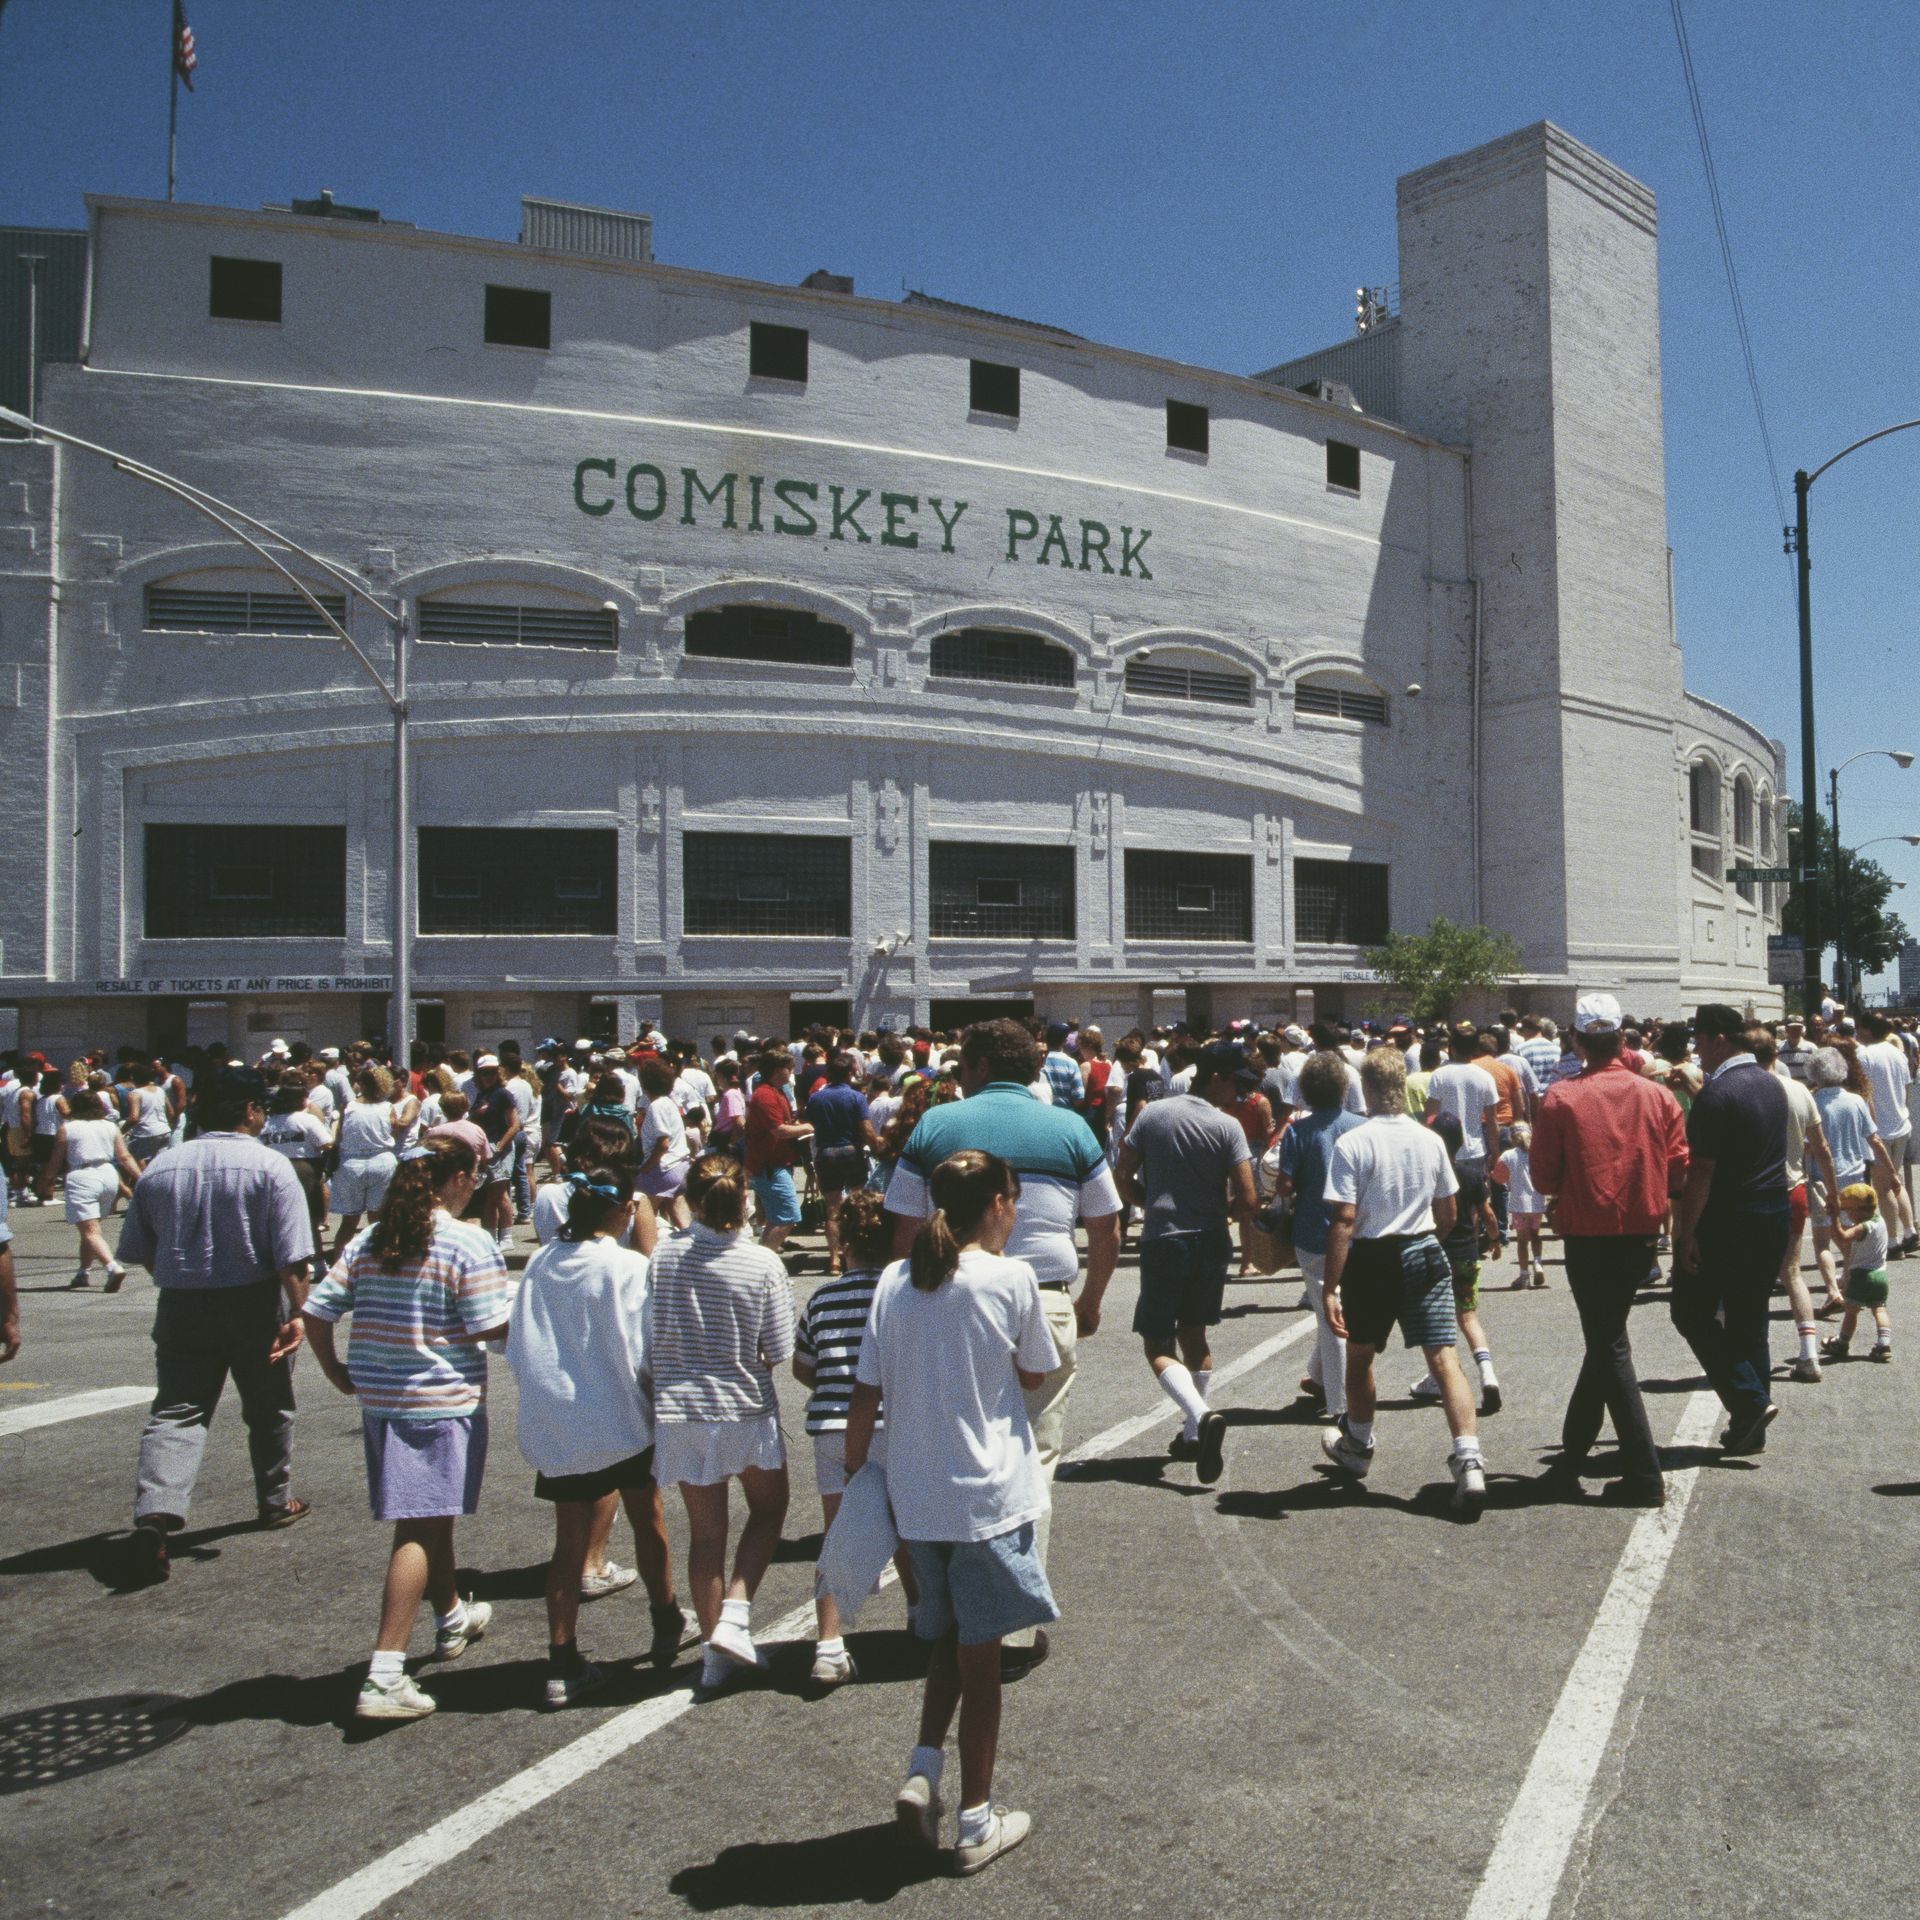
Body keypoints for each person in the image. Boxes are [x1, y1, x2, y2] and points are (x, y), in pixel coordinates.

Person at [886, 1018, 1120, 1677]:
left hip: (943, 1294)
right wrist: (1093, 1299)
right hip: (1041, 1296)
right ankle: (1012, 1623)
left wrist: (910, 1300)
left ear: (982, 1063)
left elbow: (903, 1230)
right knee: (1035, 1454)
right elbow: (1107, 1226)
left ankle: (935, 1608)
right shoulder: (1071, 1128)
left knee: (938, 1440)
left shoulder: (937, 1126)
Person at [847, 1149, 1059, 1875]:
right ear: (997, 1204)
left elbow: (866, 1389)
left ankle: (923, 1765)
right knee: (984, 1664)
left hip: (917, 1497)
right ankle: (975, 1818)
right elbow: (1036, 1371)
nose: (1017, 1210)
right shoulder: (1011, 1278)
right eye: (1013, 1198)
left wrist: (853, 1479)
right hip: (989, 1495)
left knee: (944, 1638)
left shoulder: (892, 1280)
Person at [302, 1138, 511, 1722]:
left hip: (382, 1397)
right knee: (418, 1527)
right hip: (439, 1399)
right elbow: (488, 1326)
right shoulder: (469, 1240)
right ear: (461, 1179)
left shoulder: (373, 1236)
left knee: (431, 1512)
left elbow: (317, 1311)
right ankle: (386, 1670)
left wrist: (338, 1372)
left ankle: (449, 1616)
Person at [115, 1066, 317, 1586]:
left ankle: (154, 1519)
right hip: (254, 1302)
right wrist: (300, 1313)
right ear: (251, 1111)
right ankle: (274, 1500)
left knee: (177, 1412)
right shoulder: (272, 1167)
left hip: (182, 1304)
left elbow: (140, 1249)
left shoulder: (161, 1167)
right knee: (269, 1405)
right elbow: (292, 1257)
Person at [507, 1160, 688, 1708]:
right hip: (620, 1411)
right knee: (647, 1516)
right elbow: (649, 1344)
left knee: (569, 1540)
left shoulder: (540, 1262)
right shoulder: (629, 1267)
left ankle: (561, 1658)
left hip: (561, 1416)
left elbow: (518, 1337)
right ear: (621, 1211)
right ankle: (664, 1617)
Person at [1529, 993, 1687, 1504]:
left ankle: (1644, 1472)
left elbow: (1542, 1174)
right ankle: (1575, 1447)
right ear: (1622, 1038)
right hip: (1640, 1230)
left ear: (1576, 1041)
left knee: (1608, 1342)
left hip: (1586, 1230)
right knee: (1607, 1336)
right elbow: (1678, 1165)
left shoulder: (1561, 1097)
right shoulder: (1656, 1095)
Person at [646, 1152, 794, 1692]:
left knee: (706, 1536)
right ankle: (735, 1612)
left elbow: (650, 1329)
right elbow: (777, 1348)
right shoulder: (761, 1264)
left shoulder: (663, 1256)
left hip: (680, 1409)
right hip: (741, 1406)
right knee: (769, 1509)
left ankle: (715, 1650)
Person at [1319, 1045, 1485, 1512]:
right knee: (1444, 1358)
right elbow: (1448, 1212)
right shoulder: (1429, 1139)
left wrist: (1331, 1285)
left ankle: (1359, 1443)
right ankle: (1469, 1459)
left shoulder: (1353, 1142)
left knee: (1361, 1355)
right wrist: (1429, 1238)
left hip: (1372, 1257)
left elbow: (1344, 1220)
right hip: (1424, 1248)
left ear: (1367, 1088)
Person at [1113, 1042, 1257, 1482]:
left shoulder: (1155, 1114)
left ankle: (1199, 1414)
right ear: (1216, 1078)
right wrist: (1223, 1215)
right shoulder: (1227, 1125)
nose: (1241, 1093)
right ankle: (1193, 1432)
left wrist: (1147, 1201)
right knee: (1196, 1335)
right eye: (1237, 1082)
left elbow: (1121, 1175)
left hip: (1165, 1238)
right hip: (1210, 1240)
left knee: (1157, 1343)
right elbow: (1248, 1198)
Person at [793, 1187, 917, 1687]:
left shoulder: (823, 1298)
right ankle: (921, 1615)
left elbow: (806, 1367)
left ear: (842, 1243)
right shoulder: (901, 1294)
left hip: (833, 1425)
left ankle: (828, 1645)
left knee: (837, 1534)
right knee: (909, 1527)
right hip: (895, 1422)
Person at [1672, 1010, 1792, 1457]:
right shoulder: (1770, 1083)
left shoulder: (1718, 1093)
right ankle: (1750, 1426)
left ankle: (1748, 1401)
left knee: (1690, 1311)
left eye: (1700, 1041)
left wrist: (1687, 1233)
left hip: (1729, 1219)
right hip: (1771, 1213)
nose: (1696, 1050)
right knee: (1750, 1319)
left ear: (1719, 1039)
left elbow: (1701, 1172)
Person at [1277, 1050, 1365, 1419]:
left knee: (1330, 1317)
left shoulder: (1298, 1131)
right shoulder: (1361, 1127)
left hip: (1314, 1230)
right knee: (1337, 1308)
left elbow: (1284, 1184)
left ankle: (1340, 1403)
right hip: (1359, 1231)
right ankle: (1317, 1376)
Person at [1752, 1029, 1839, 1384]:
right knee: (1792, 1273)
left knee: (1751, 1274)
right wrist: (1833, 1192)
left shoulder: (1744, 1090)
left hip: (1755, 1192)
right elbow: (1821, 1147)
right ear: (1776, 1054)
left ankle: (1751, 1356)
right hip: (1794, 1189)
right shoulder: (1800, 1090)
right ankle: (1809, 1354)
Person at [1409, 1112, 1503, 1415]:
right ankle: (1488, 1373)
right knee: (1469, 1318)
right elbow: (1487, 1214)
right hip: (1466, 1254)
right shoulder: (1471, 1174)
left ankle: (1438, 1378)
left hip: (1435, 1253)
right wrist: (1494, 1239)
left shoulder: (1425, 1173)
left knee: (1436, 1322)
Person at [49, 1087, 143, 1290]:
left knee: (90, 1231)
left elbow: (56, 1161)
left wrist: (45, 1179)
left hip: (82, 1176)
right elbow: (124, 1156)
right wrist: (141, 1178)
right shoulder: (110, 1126)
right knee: (91, 1230)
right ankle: (83, 1272)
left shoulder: (68, 1128)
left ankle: (112, 1267)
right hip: (108, 1174)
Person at [330, 1066, 419, 1261]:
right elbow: (394, 1134)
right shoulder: (387, 1107)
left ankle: (339, 1264)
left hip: (352, 1163)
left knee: (349, 1222)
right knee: (378, 1219)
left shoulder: (349, 1107)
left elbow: (340, 1135)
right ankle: (379, 1262)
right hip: (382, 1161)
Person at [807, 1053, 878, 1275]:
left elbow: (811, 1125)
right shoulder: (856, 1097)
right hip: (851, 1152)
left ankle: (834, 1259)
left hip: (826, 1153)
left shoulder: (816, 1098)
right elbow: (866, 1130)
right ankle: (856, 1253)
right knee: (858, 1203)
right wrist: (878, 1147)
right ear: (849, 1073)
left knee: (832, 1209)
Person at [1855, 1012, 1919, 1253]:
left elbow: (1864, 1094)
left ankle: (1892, 1242)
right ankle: (1910, 1230)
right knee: (1896, 1180)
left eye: (1860, 1028)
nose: (1857, 1033)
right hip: (1900, 1123)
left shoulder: (1864, 1055)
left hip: (1880, 1128)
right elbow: (1905, 1086)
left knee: (1882, 1189)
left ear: (1869, 1030)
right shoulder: (1897, 1053)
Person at [743, 1050, 812, 1252]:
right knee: (788, 1216)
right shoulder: (765, 1094)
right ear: (776, 1070)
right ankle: (765, 1260)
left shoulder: (776, 1091)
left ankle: (761, 1258)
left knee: (776, 1219)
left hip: (776, 1163)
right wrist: (808, 1128)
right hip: (769, 1166)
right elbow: (779, 1130)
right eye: (788, 1068)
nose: (791, 1073)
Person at [1822, 1183, 1893, 1363]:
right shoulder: (1880, 1221)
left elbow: (1842, 1237)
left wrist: (1834, 1217)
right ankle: (1884, 1344)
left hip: (1861, 1276)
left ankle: (1842, 1343)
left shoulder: (1864, 1227)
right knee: (1879, 1309)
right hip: (1880, 1275)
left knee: (1851, 1312)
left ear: (1857, 1209)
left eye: (1847, 1210)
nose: (1847, 1215)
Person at [262, 1074, 333, 1239]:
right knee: (310, 1221)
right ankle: (317, 1260)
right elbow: (327, 1143)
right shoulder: (307, 1120)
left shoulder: (267, 1122)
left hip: (275, 1171)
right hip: (305, 1171)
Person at [466, 1054, 523, 1246]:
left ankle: (506, 1237)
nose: (488, 1076)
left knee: (500, 1194)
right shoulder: (482, 1095)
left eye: (492, 1072)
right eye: (484, 1073)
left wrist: (499, 1146)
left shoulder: (502, 1094)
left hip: (499, 1148)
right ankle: (490, 1237)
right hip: (484, 1148)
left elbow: (515, 1125)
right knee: (489, 1196)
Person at [635, 1055, 693, 1229]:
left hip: (662, 1169)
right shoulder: (669, 1103)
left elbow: (663, 1143)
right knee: (681, 1221)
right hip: (681, 1166)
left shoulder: (656, 1106)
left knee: (641, 1218)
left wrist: (644, 1169)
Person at [1492, 1122, 1545, 1287]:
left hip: (1518, 1204)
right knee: (1535, 1235)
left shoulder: (1508, 1156)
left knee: (1522, 1241)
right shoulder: (1538, 1153)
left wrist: (1491, 1173)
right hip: (1537, 1201)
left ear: (1512, 1138)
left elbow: (1499, 1179)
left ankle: (1524, 1275)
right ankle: (1537, 1262)